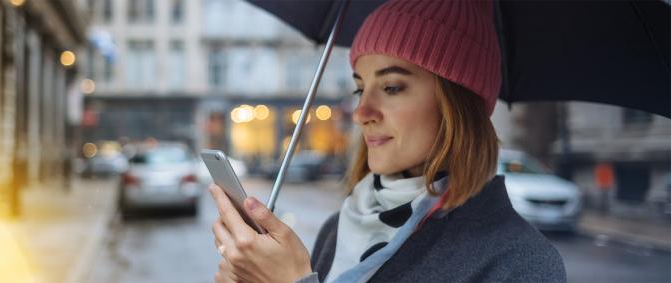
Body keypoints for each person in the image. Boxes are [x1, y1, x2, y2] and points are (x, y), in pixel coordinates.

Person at [208, 1, 566, 282]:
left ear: (458, 105)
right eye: (360, 88)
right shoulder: (340, 226)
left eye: (392, 87)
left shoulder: (519, 261)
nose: (362, 111)